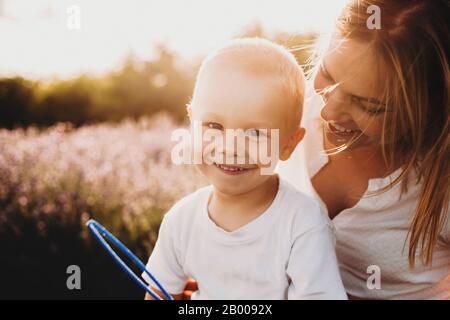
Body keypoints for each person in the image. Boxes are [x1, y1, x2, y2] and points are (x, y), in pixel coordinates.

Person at [143, 38, 347, 300]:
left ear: (289, 144)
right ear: (192, 122)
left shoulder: (303, 223)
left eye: (255, 133)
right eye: (214, 126)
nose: (230, 148)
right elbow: (158, 292)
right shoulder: (181, 220)